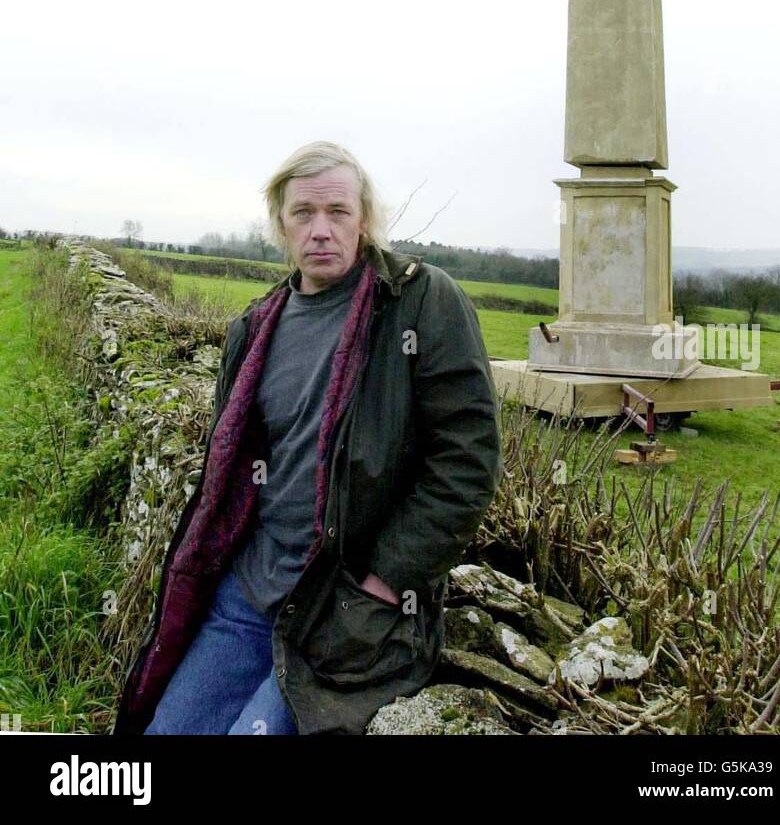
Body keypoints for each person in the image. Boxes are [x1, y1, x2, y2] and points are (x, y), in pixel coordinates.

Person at [113, 141, 503, 736]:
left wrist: (385, 579)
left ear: (365, 219)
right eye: (303, 213)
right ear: (280, 225)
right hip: (247, 594)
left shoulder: (421, 302)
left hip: (344, 608)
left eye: (339, 212)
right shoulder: (255, 325)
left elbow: (467, 461)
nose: (321, 230)